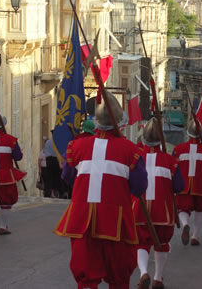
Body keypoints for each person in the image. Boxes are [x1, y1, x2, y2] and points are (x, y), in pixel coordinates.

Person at [54, 91, 148, 289]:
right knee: (119, 275)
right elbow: (139, 186)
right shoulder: (131, 150)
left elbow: (67, 176)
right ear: (119, 123)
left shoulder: (76, 147)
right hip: (116, 222)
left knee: (86, 273)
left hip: (82, 221)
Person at [132, 118, 183, 289]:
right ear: (161, 140)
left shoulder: (136, 158)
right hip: (164, 212)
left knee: (141, 243)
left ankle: (143, 272)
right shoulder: (171, 161)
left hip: (140, 210)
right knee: (162, 244)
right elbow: (179, 187)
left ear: (143, 139)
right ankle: (158, 278)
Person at [173, 119, 202, 246]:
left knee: (182, 209)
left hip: (183, 185)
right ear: (201, 134)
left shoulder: (178, 149)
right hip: (200, 186)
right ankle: (195, 237)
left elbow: (173, 166)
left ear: (188, 133)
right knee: (199, 210)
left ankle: (185, 224)